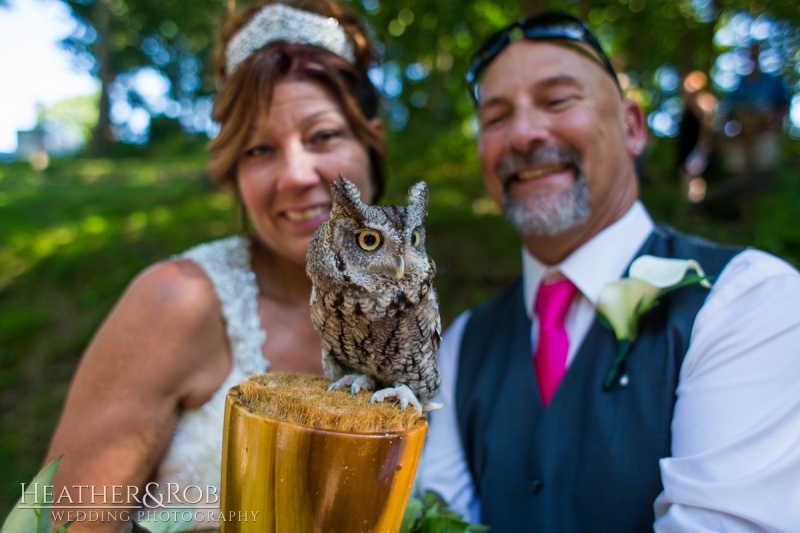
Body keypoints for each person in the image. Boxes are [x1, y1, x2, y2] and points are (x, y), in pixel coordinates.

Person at [416, 11, 800, 532]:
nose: (524, 134)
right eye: (496, 117)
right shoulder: (459, 344)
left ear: (632, 127)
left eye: (557, 101)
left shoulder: (749, 302)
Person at [43, 0, 385, 531]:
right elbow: (61, 524)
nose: (295, 175)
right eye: (258, 150)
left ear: (372, 139)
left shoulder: (411, 314)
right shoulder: (175, 304)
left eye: (323, 137)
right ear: (233, 172)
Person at [676, 70, 717, 203]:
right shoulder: (689, 105)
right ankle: (689, 206)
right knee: (687, 176)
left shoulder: (703, 103)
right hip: (688, 146)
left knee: (694, 177)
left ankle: (696, 207)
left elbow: (706, 126)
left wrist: (703, 144)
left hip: (697, 147)